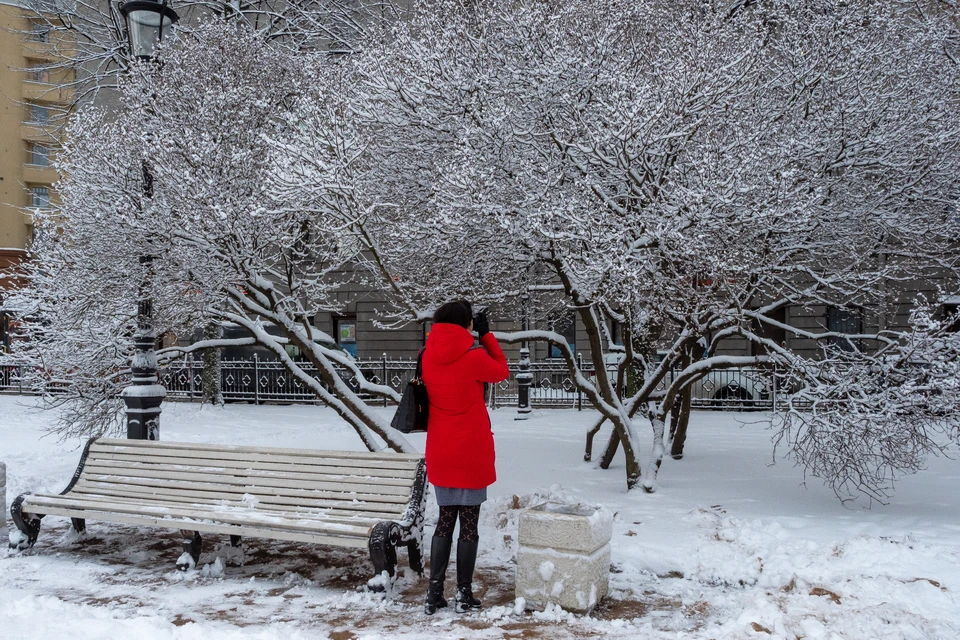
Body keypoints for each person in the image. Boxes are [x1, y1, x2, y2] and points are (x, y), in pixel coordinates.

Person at [421, 300, 509, 615]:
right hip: (471, 451)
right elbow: (502, 370)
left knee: (444, 521)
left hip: (442, 450)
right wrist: (486, 337)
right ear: (466, 324)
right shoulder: (474, 357)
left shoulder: (426, 356)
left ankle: (433, 593)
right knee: (468, 524)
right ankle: (463, 593)